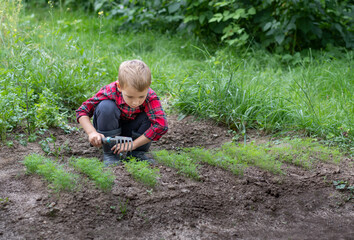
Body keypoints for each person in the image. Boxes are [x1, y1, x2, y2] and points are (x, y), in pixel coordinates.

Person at [75, 59, 168, 165]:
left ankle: (136, 153)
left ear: (148, 86)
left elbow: (161, 125)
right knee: (106, 106)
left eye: (141, 96)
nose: (135, 102)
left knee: (150, 116)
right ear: (119, 86)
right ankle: (110, 153)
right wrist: (91, 133)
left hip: (133, 134)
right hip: (109, 130)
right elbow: (82, 111)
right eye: (130, 96)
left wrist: (134, 144)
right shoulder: (110, 91)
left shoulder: (150, 96)